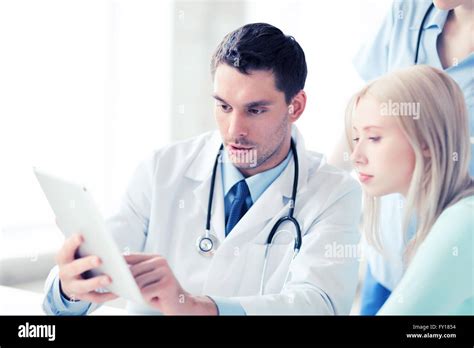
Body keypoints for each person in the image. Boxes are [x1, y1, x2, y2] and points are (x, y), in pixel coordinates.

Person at [42, 23, 362, 315]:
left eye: (255, 110)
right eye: (224, 106)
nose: (235, 129)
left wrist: (200, 309)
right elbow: (101, 267)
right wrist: (72, 288)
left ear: (296, 106)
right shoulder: (162, 170)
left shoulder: (332, 193)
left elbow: (321, 304)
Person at [329, 0, 474, 314]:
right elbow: (367, 112)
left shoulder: (462, 228)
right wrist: (312, 195)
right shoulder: (409, 11)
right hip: (388, 264)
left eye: (375, 139)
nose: (356, 155)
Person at [348, 64, 473, 314]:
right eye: (356, 138)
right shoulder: (446, 219)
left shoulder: (463, 223)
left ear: (426, 141)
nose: (356, 156)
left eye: (374, 138)